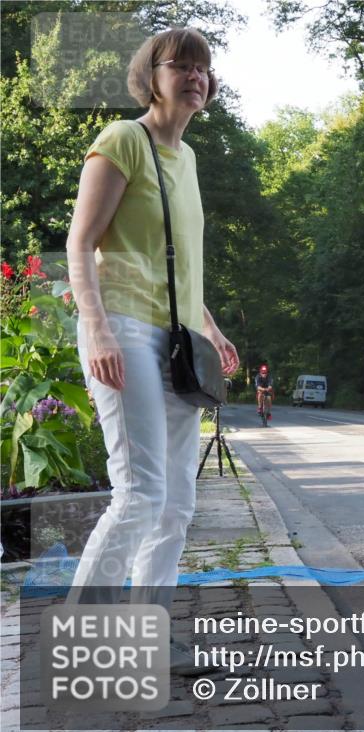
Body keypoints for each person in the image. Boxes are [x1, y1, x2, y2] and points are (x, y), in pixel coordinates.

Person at [65, 28, 239, 674]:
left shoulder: (188, 161)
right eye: (181, 65)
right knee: (139, 492)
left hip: (176, 342)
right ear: (152, 76)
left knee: (176, 505)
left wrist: (212, 329)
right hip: (124, 333)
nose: (195, 75)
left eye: (203, 68)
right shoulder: (121, 142)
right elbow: (80, 244)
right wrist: (99, 326)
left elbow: (177, 270)